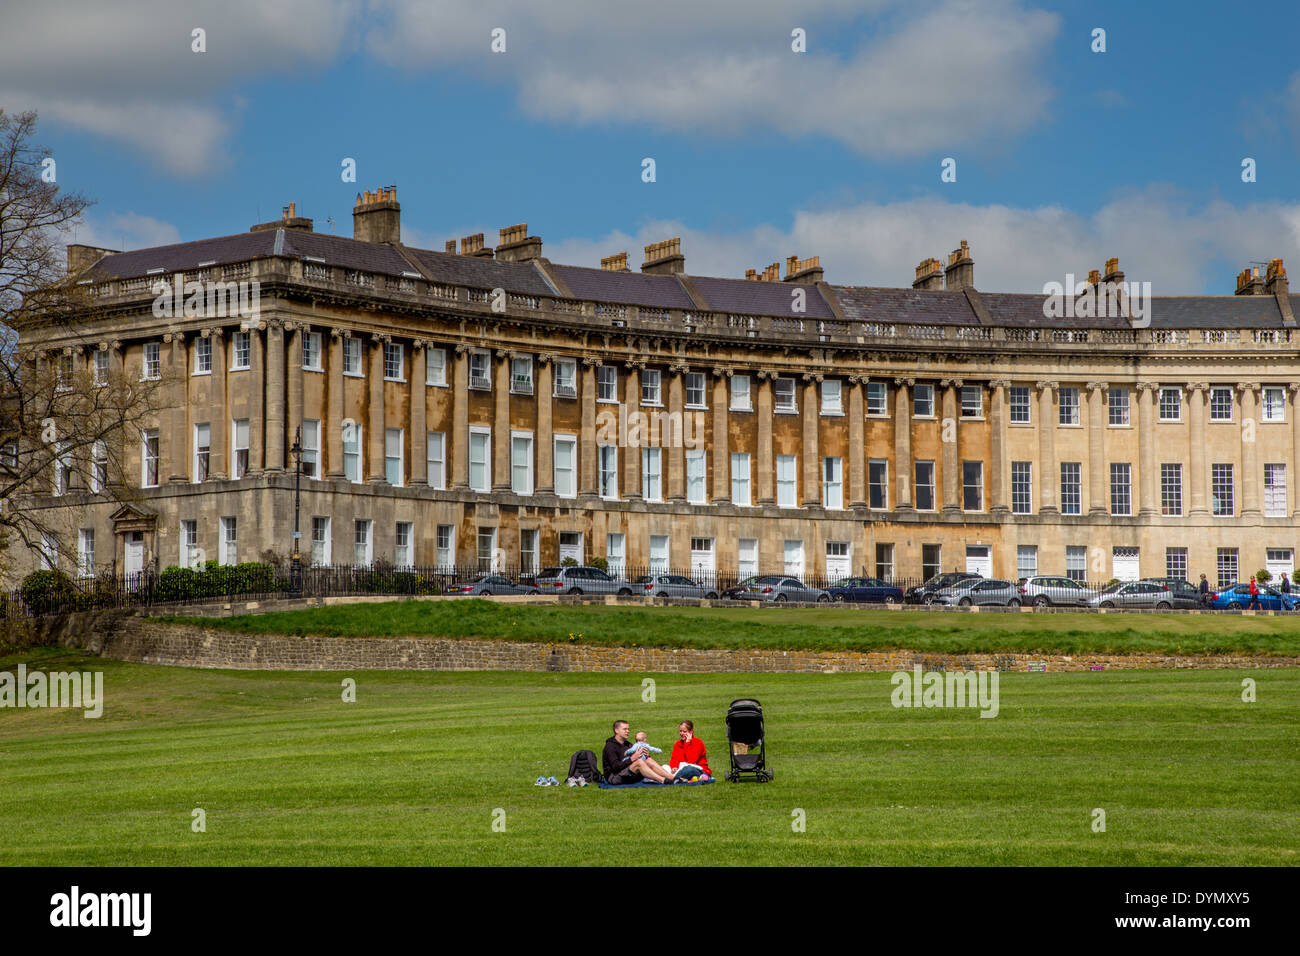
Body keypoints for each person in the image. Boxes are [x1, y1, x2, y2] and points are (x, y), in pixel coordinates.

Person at [602, 720, 675, 785]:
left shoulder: (627, 744)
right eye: (625, 729)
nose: (628, 731)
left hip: (628, 774)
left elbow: (637, 757)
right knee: (639, 762)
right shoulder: (610, 746)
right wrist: (632, 759)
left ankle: (672, 778)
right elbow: (615, 767)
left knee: (648, 760)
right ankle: (662, 780)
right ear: (616, 730)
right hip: (615, 778)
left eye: (628, 729)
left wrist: (645, 755)